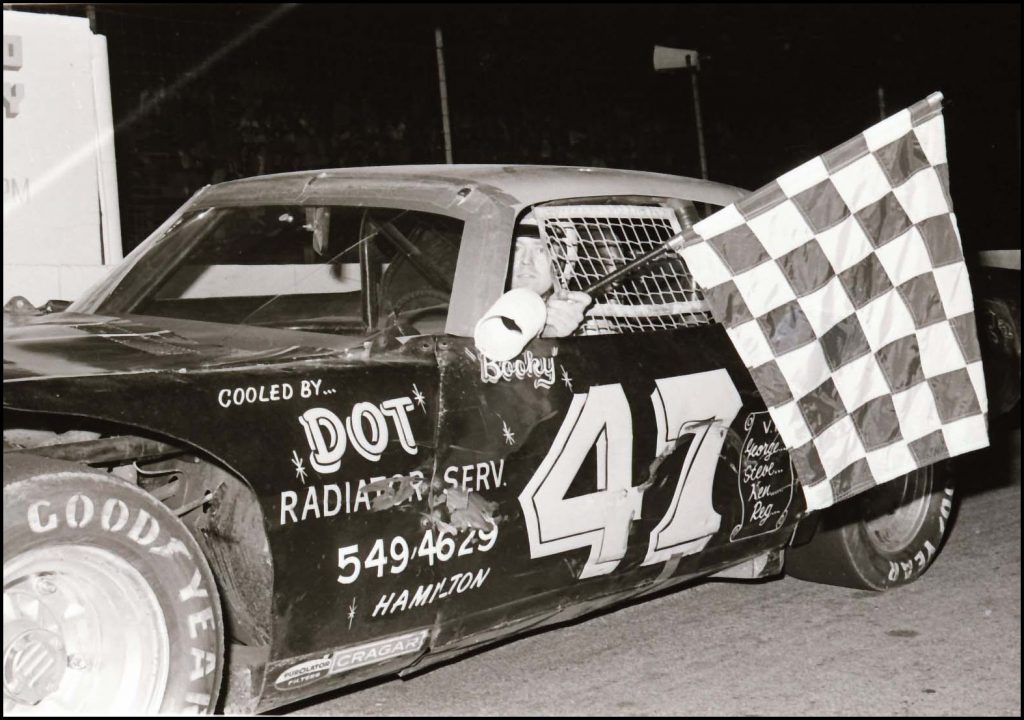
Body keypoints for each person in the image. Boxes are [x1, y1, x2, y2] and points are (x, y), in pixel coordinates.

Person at [510, 214, 592, 337]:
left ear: (561, 261)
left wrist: (554, 333)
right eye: (516, 248)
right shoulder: (475, 312)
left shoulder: (588, 325)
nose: (526, 260)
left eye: (541, 250)